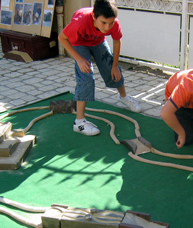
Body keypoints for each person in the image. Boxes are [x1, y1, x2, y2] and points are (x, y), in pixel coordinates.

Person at [58, 0, 141, 136]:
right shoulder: (80, 22)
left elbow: (116, 40)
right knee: (86, 76)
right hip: (79, 43)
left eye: (111, 23)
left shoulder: (113, 23)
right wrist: (78, 59)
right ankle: (79, 123)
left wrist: (114, 66)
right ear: (94, 17)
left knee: (111, 68)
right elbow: (62, 38)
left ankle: (124, 99)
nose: (107, 27)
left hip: (97, 41)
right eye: (103, 23)